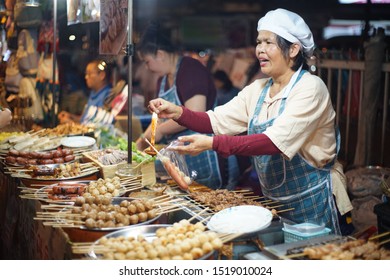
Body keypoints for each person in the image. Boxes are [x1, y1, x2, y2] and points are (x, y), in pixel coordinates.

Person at [147, 9, 353, 235]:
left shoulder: (311, 88)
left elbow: (273, 143)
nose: (260, 50)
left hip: (314, 200)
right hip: (275, 203)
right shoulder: (259, 90)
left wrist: (213, 144)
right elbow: (216, 119)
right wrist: (178, 112)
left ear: (293, 49)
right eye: (258, 42)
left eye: (269, 43)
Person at [135, 21, 229, 189]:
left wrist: (161, 131)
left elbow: (195, 113)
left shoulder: (191, 70)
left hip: (205, 155)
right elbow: (159, 119)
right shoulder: (162, 81)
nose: (147, 67)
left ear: (160, 54)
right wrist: (144, 139)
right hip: (182, 159)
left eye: (147, 61)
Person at [58, 60, 111, 124]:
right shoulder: (93, 93)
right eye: (86, 74)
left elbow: (99, 126)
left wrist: (72, 123)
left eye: (89, 74)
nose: (86, 77)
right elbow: (85, 119)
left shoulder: (108, 96)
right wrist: (71, 116)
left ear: (102, 75)